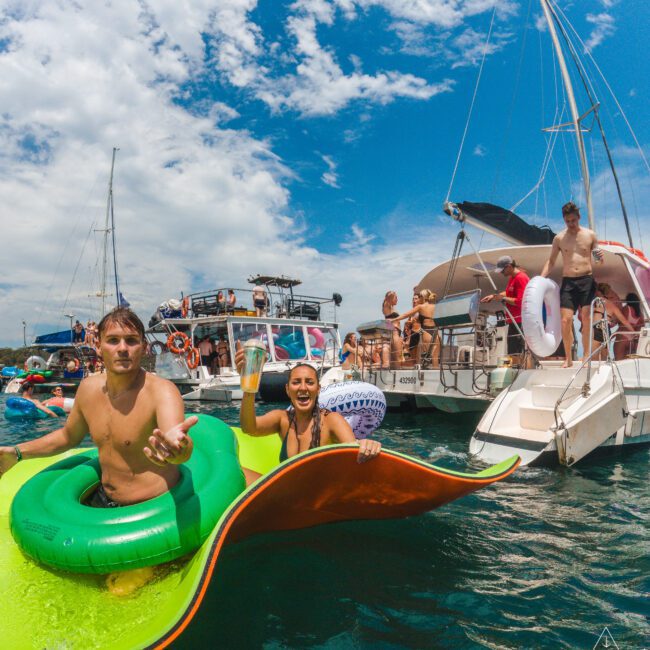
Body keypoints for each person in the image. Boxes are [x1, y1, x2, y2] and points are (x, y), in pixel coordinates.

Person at [0, 307, 197, 596]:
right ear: (98, 345)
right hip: (103, 502)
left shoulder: (161, 391)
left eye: (131, 341)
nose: (123, 349)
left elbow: (176, 437)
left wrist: (176, 449)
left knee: (119, 593)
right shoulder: (88, 388)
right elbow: (68, 436)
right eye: (113, 340)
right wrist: (17, 453)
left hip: (151, 512)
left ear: (143, 347)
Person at [236, 348, 381, 485]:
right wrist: (249, 381)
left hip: (316, 500)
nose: (303, 387)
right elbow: (249, 428)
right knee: (237, 472)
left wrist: (366, 445)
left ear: (318, 389)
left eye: (310, 382)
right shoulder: (283, 419)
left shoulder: (331, 420)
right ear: (287, 389)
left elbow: (354, 454)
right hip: (285, 493)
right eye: (296, 382)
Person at [540, 201, 604, 367]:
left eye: (573, 220)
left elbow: (599, 262)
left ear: (578, 217)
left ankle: (586, 355)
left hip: (586, 280)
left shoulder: (590, 235)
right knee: (565, 321)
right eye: (567, 221)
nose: (571, 224)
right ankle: (568, 358)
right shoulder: (559, 238)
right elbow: (551, 261)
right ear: (564, 220)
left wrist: (600, 257)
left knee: (586, 318)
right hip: (568, 282)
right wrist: (541, 277)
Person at [481, 256, 530, 362]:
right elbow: (509, 292)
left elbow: (521, 301)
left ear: (508, 267)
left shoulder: (521, 278)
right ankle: (516, 371)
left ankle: (520, 372)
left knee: (517, 352)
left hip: (520, 322)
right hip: (513, 321)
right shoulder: (513, 277)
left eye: (502, 270)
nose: (501, 273)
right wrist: (494, 296)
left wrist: (503, 298)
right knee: (512, 352)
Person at [391, 290, 439, 368]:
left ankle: (422, 376)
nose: (417, 300)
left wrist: (393, 320)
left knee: (424, 358)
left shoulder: (420, 307)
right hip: (435, 331)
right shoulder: (435, 306)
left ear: (422, 297)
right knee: (435, 357)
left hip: (426, 331)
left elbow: (405, 315)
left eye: (418, 297)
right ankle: (437, 376)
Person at [590, 284, 634, 360]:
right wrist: (635, 333)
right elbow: (624, 321)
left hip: (596, 329)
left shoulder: (595, 303)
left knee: (594, 358)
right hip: (606, 330)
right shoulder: (611, 305)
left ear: (598, 292)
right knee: (603, 359)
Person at [616, 292, 644, 359]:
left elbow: (623, 322)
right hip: (632, 340)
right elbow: (639, 329)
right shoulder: (640, 315)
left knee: (618, 361)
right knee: (628, 361)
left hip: (622, 336)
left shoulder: (626, 308)